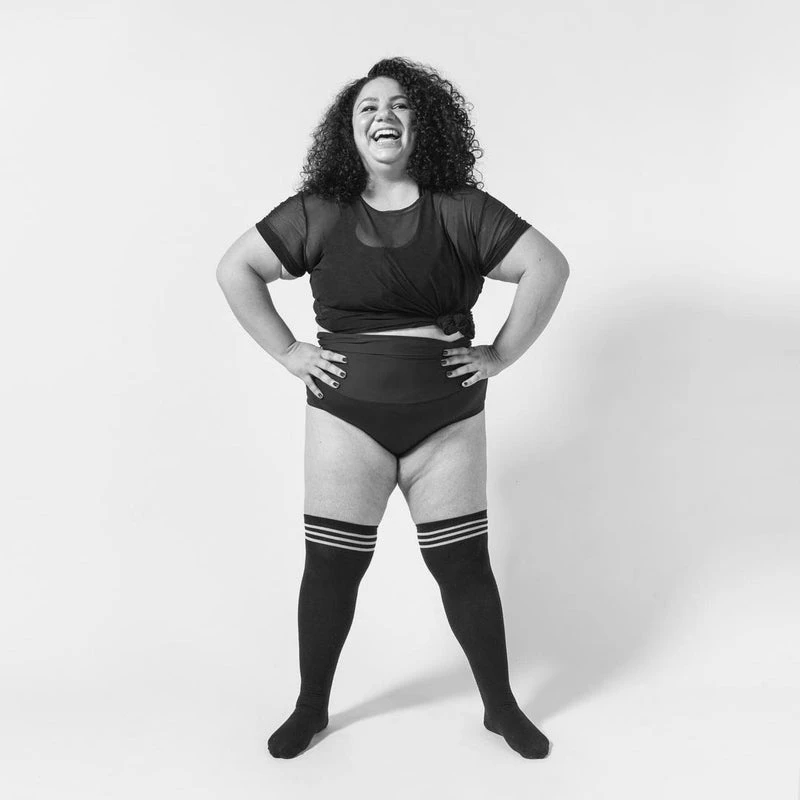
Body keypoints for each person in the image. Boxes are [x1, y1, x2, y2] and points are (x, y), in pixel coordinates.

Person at [216, 56, 570, 760]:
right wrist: (289, 352)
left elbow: (548, 266)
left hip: (448, 421)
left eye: (401, 104)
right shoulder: (320, 209)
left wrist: (500, 355)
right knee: (332, 567)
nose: (385, 115)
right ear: (348, 130)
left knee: (463, 568)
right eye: (368, 107)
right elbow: (236, 268)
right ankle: (310, 707)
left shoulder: (461, 206)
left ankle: (500, 708)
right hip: (346, 418)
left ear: (423, 123)